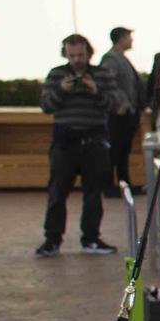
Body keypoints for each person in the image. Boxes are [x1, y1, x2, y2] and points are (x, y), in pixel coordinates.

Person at [36, 33, 117, 257]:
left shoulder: (102, 74)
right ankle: (52, 240)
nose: (76, 60)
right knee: (57, 193)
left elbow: (114, 104)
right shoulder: (56, 74)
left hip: (94, 142)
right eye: (71, 55)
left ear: (88, 53)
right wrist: (62, 90)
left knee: (93, 192)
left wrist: (96, 91)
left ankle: (90, 238)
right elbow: (46, 106)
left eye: (80, 55)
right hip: (65, 142)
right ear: (66, 54)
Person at [100, 25, 145, 191]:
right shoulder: (111, 59)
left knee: (123, 150)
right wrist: (122, 102)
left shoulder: (120, 57)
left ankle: (124, 183)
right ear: (121, 38)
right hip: (118, 114)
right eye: (129, 36)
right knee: (115, 149)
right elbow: (106, 82)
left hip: (127, 114)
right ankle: (109, 186)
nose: (131, 40)